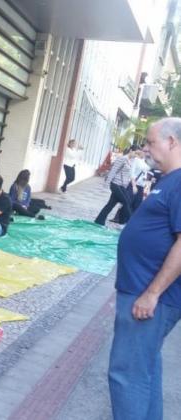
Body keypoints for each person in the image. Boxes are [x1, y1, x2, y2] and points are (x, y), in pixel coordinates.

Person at [108, 118, 181, 420]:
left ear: (173, 142)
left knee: (127, 374)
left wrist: (152, 294)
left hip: (151, 296)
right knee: (145, 368)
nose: (146, 149)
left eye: (151, 142)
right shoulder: (167, 180)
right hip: (141, 290)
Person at [94, 146, 137, 226]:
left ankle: (99, 221)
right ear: (131, 150)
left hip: (122, 186)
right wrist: (106, 184)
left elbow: (128, 174)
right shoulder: (122, 159)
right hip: (115, 184)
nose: (135, 155)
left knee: (110, 204)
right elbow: (113, 171)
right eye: (135, 153)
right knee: (126, 201)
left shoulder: (130, 161)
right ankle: (132, 224)